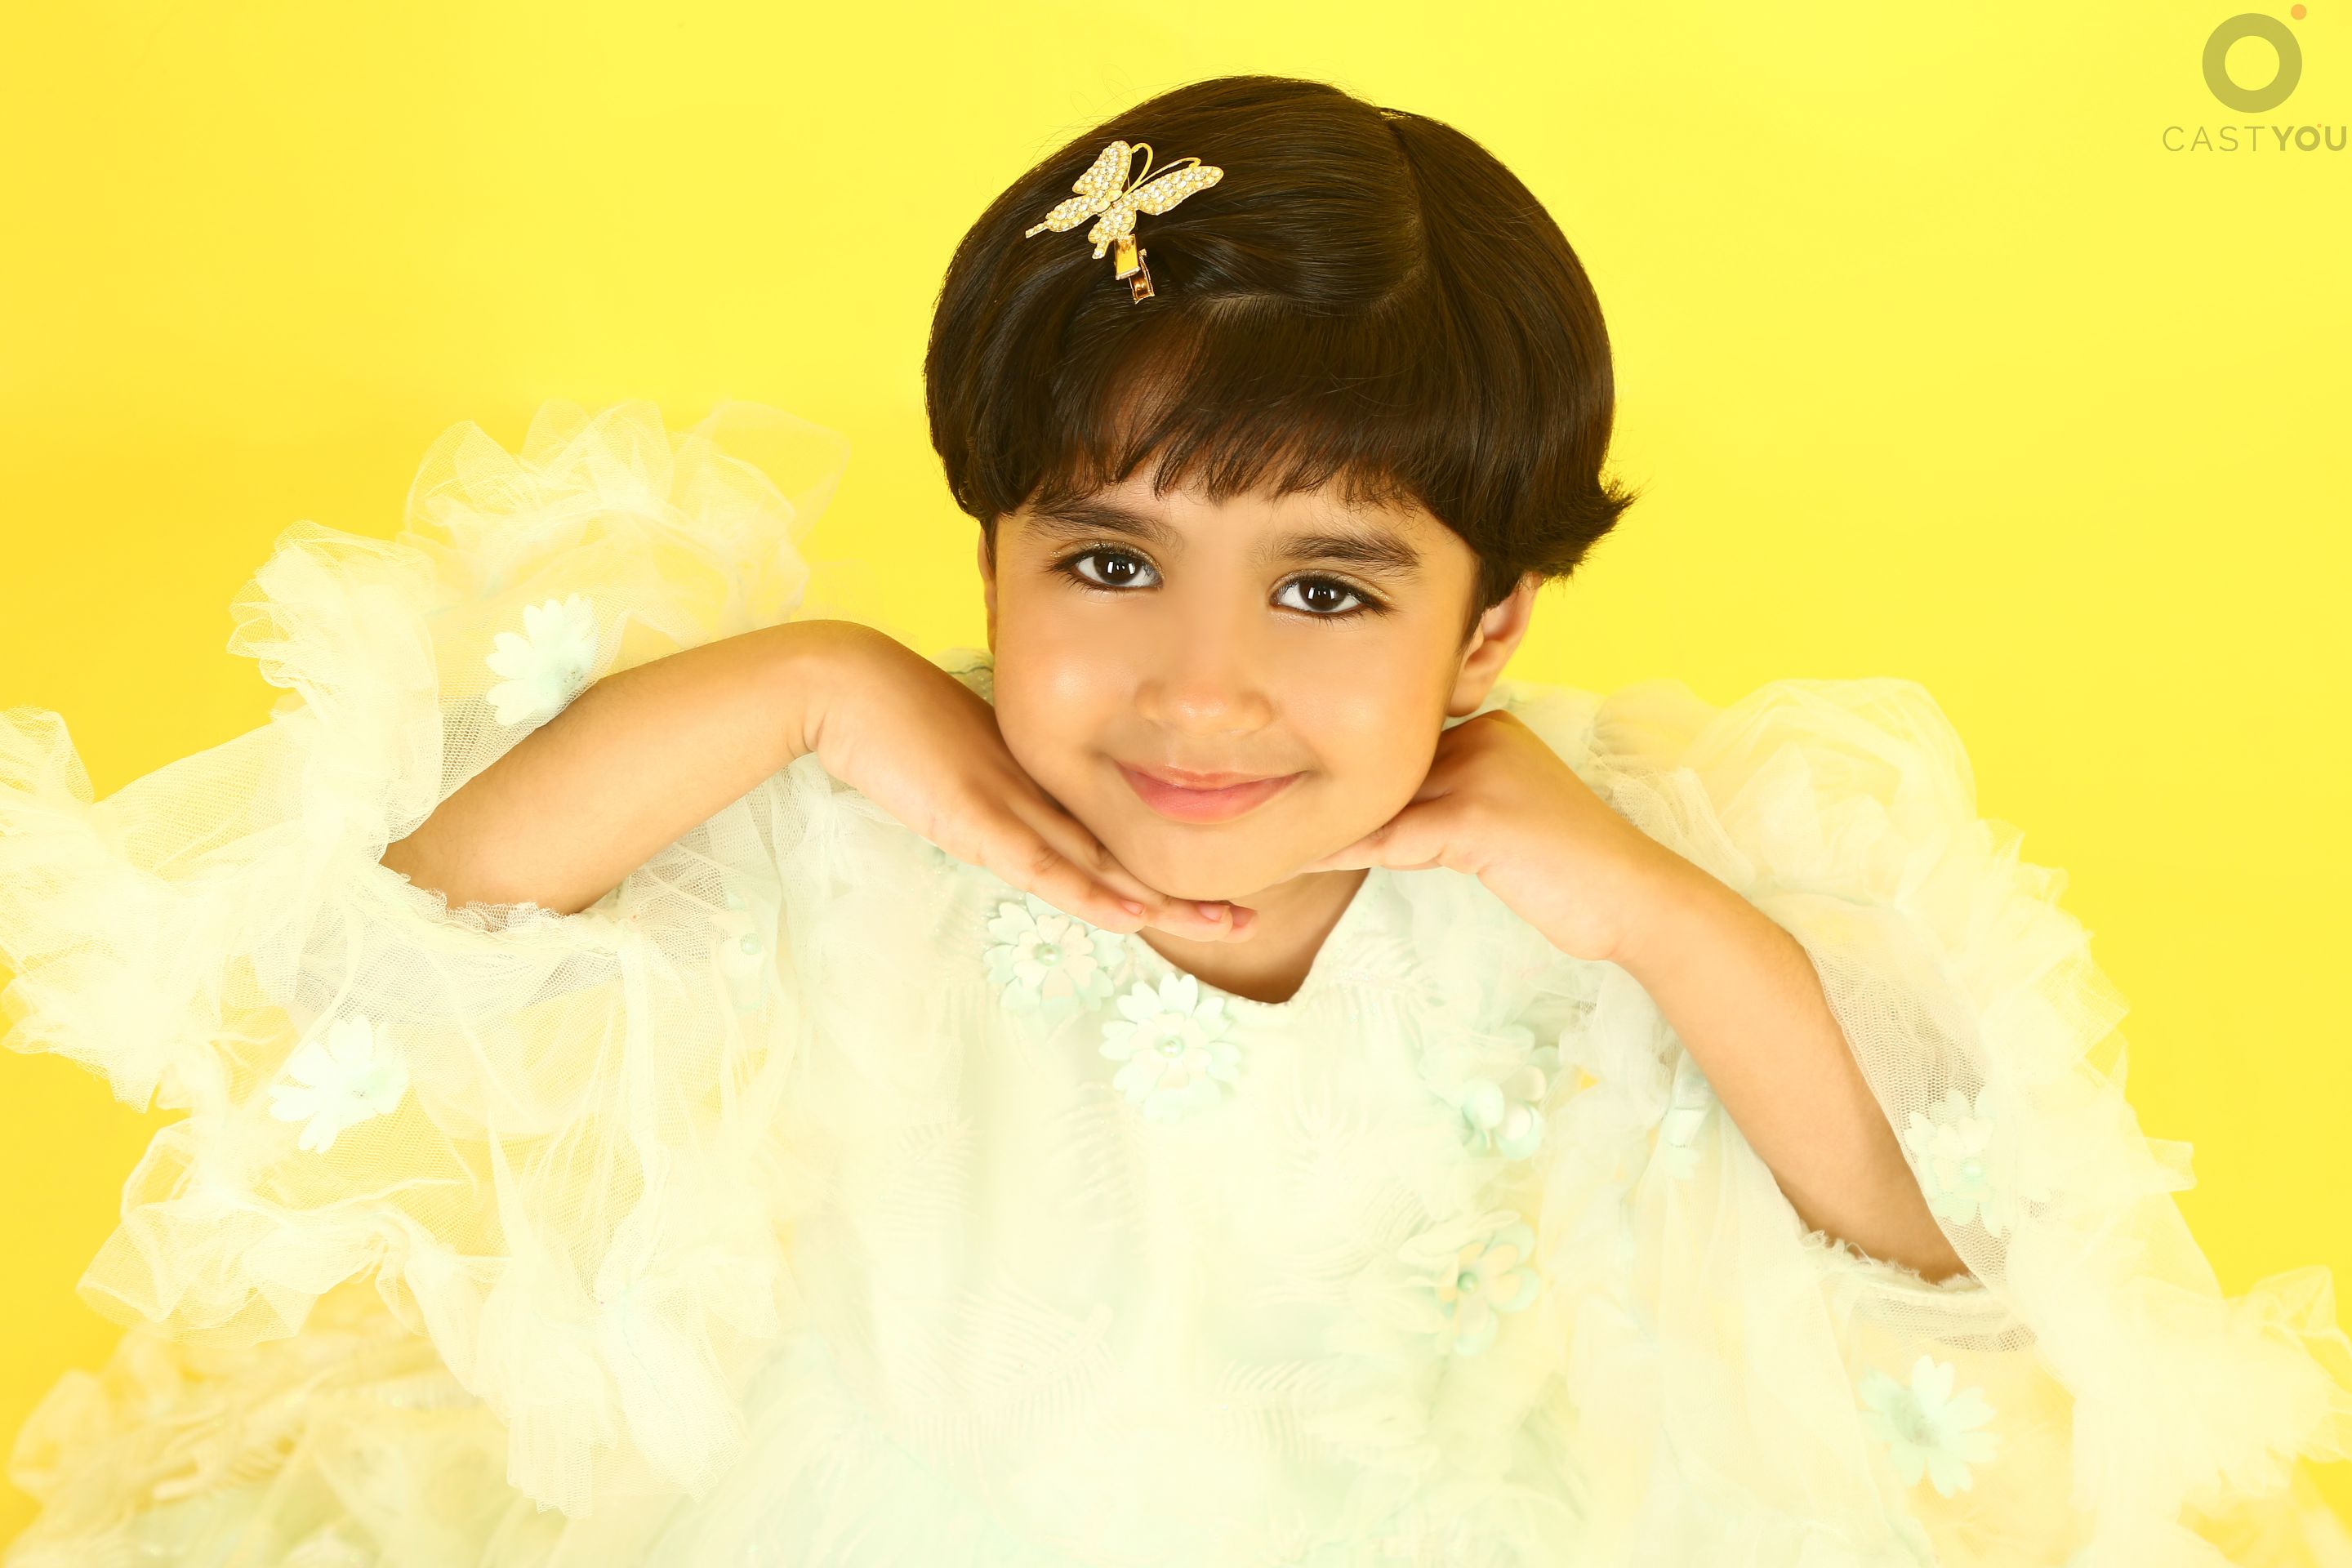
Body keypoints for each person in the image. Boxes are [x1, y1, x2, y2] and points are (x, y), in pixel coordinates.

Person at [1, 72, 2347, 1568]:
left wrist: (1649, 911)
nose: (1201, 688)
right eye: (1108, 562)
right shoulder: (869, 802)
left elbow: (1942, 1258)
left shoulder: (1556, 887)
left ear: (1493, 629)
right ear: (992, 557)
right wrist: (808, 683)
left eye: (1330, 589)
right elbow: (378, 954)